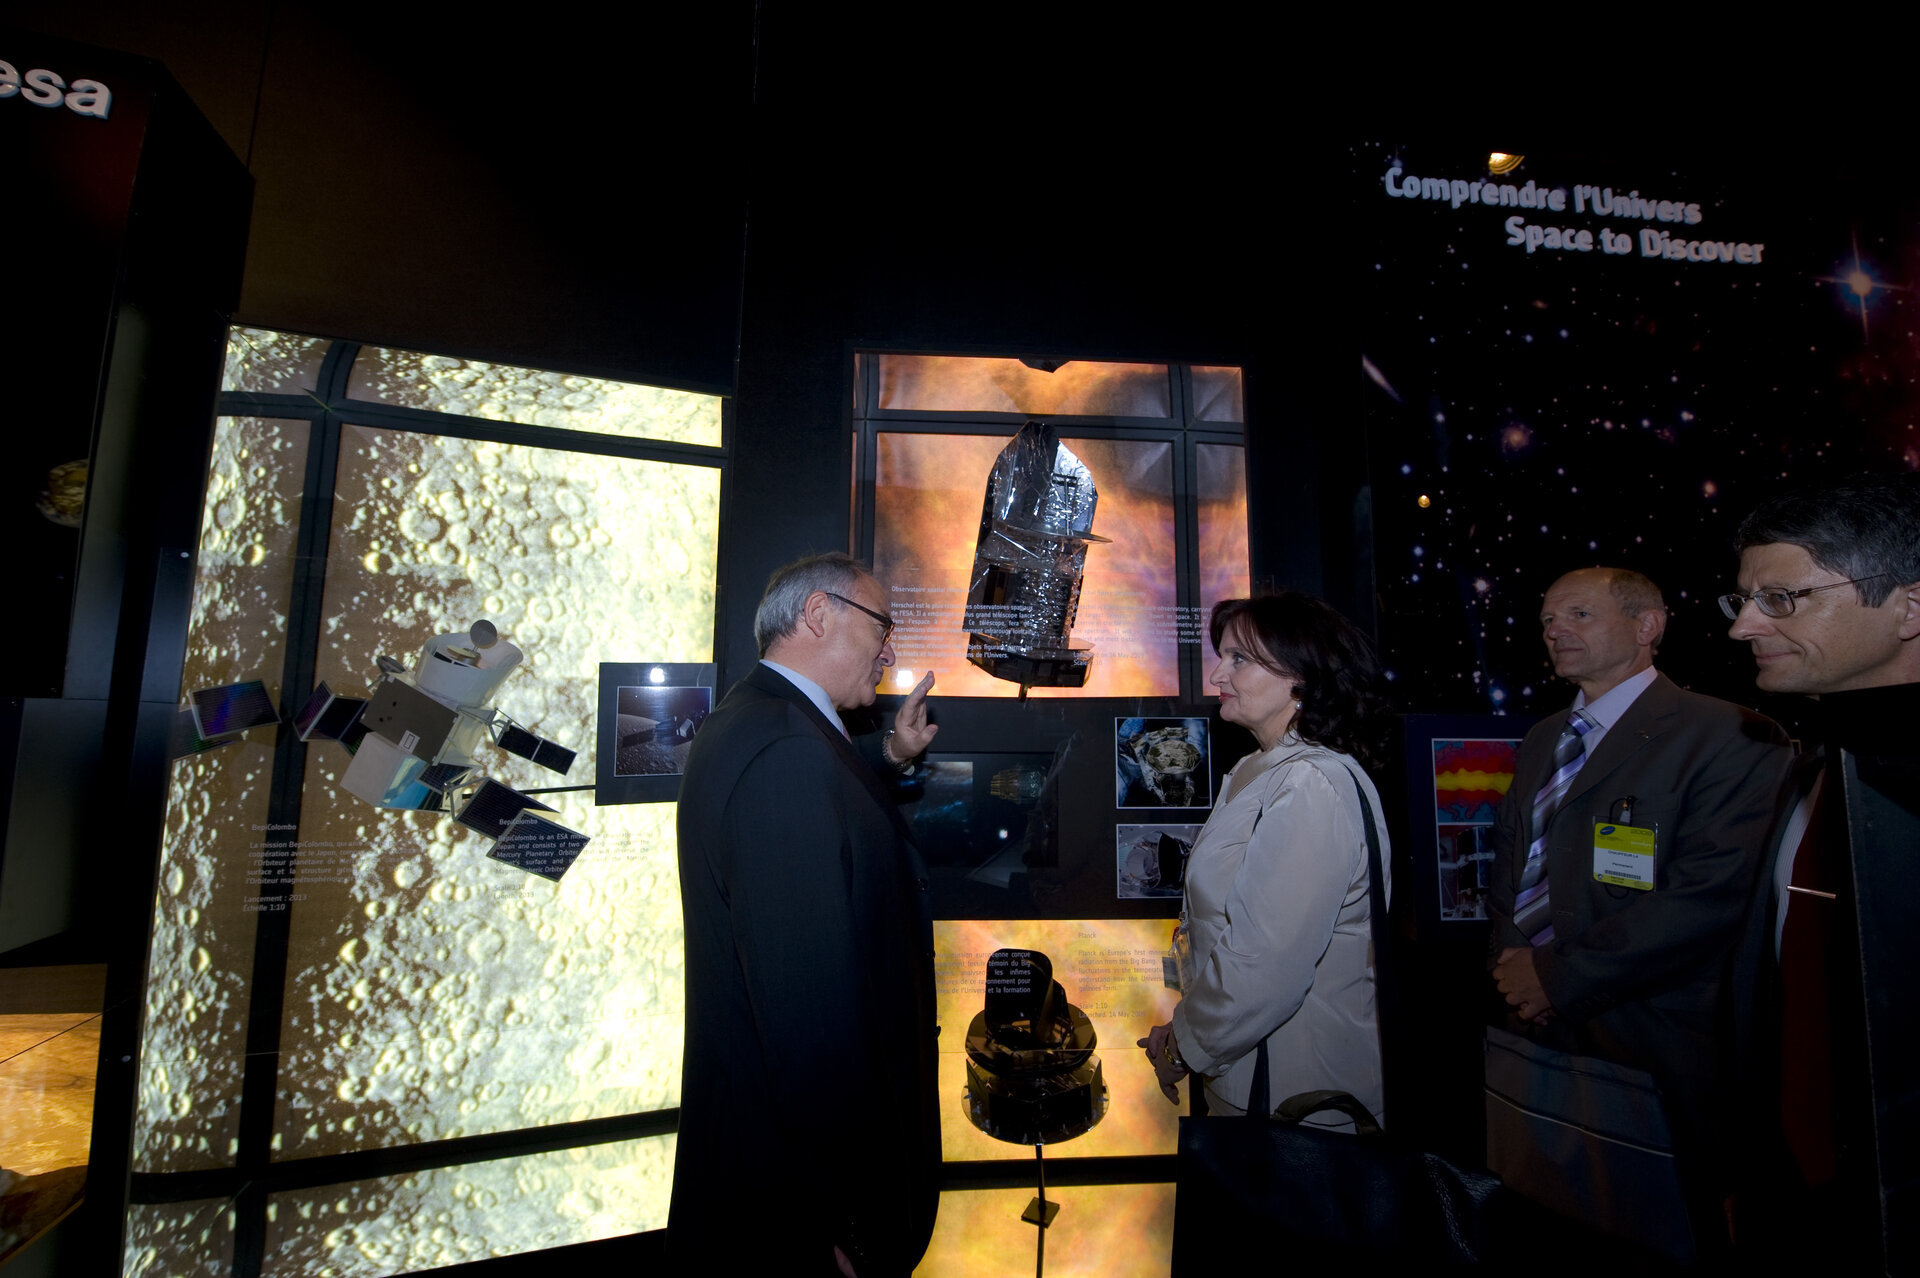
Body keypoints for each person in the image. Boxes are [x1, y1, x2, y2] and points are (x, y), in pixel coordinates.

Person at [1487, 566, 1792, 1224]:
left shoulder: (1730, 735)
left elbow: (1708, 896)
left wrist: (1555, 976)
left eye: (1579, 615)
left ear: (1647, 627)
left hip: (1653, 1041)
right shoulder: (1543, 738)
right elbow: (1515, 863)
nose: (1554, 630)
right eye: (1547, 620)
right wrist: (1514, 966)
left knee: (1661, 1239)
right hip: (1539, 1037)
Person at [668, 553, 941, 1277]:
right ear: (819, 616)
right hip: (795, 1208)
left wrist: (888, 755)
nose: (889, 650)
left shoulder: (762, 721)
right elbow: (806, 1013)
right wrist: (845, 1217)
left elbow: (827, 819)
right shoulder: (786, 750)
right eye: (882, 626)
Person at [1725, 473, 1920, 1270]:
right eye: (1742, 598)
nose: (1743, 626)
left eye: (1782, 598)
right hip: (1808, 1198)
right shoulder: (1813, 769)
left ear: (1907, 608)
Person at [1138, 592, 1393, 1125]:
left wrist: (1182, 1048)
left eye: (1239, 659)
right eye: (1222, 656)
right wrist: (1186, 1024)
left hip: (1296, 1103)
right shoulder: (1258, 770)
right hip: (1249, 1078)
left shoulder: (1310, 785)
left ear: (1301, 677)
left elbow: (1264, 967)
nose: (1216, 675)